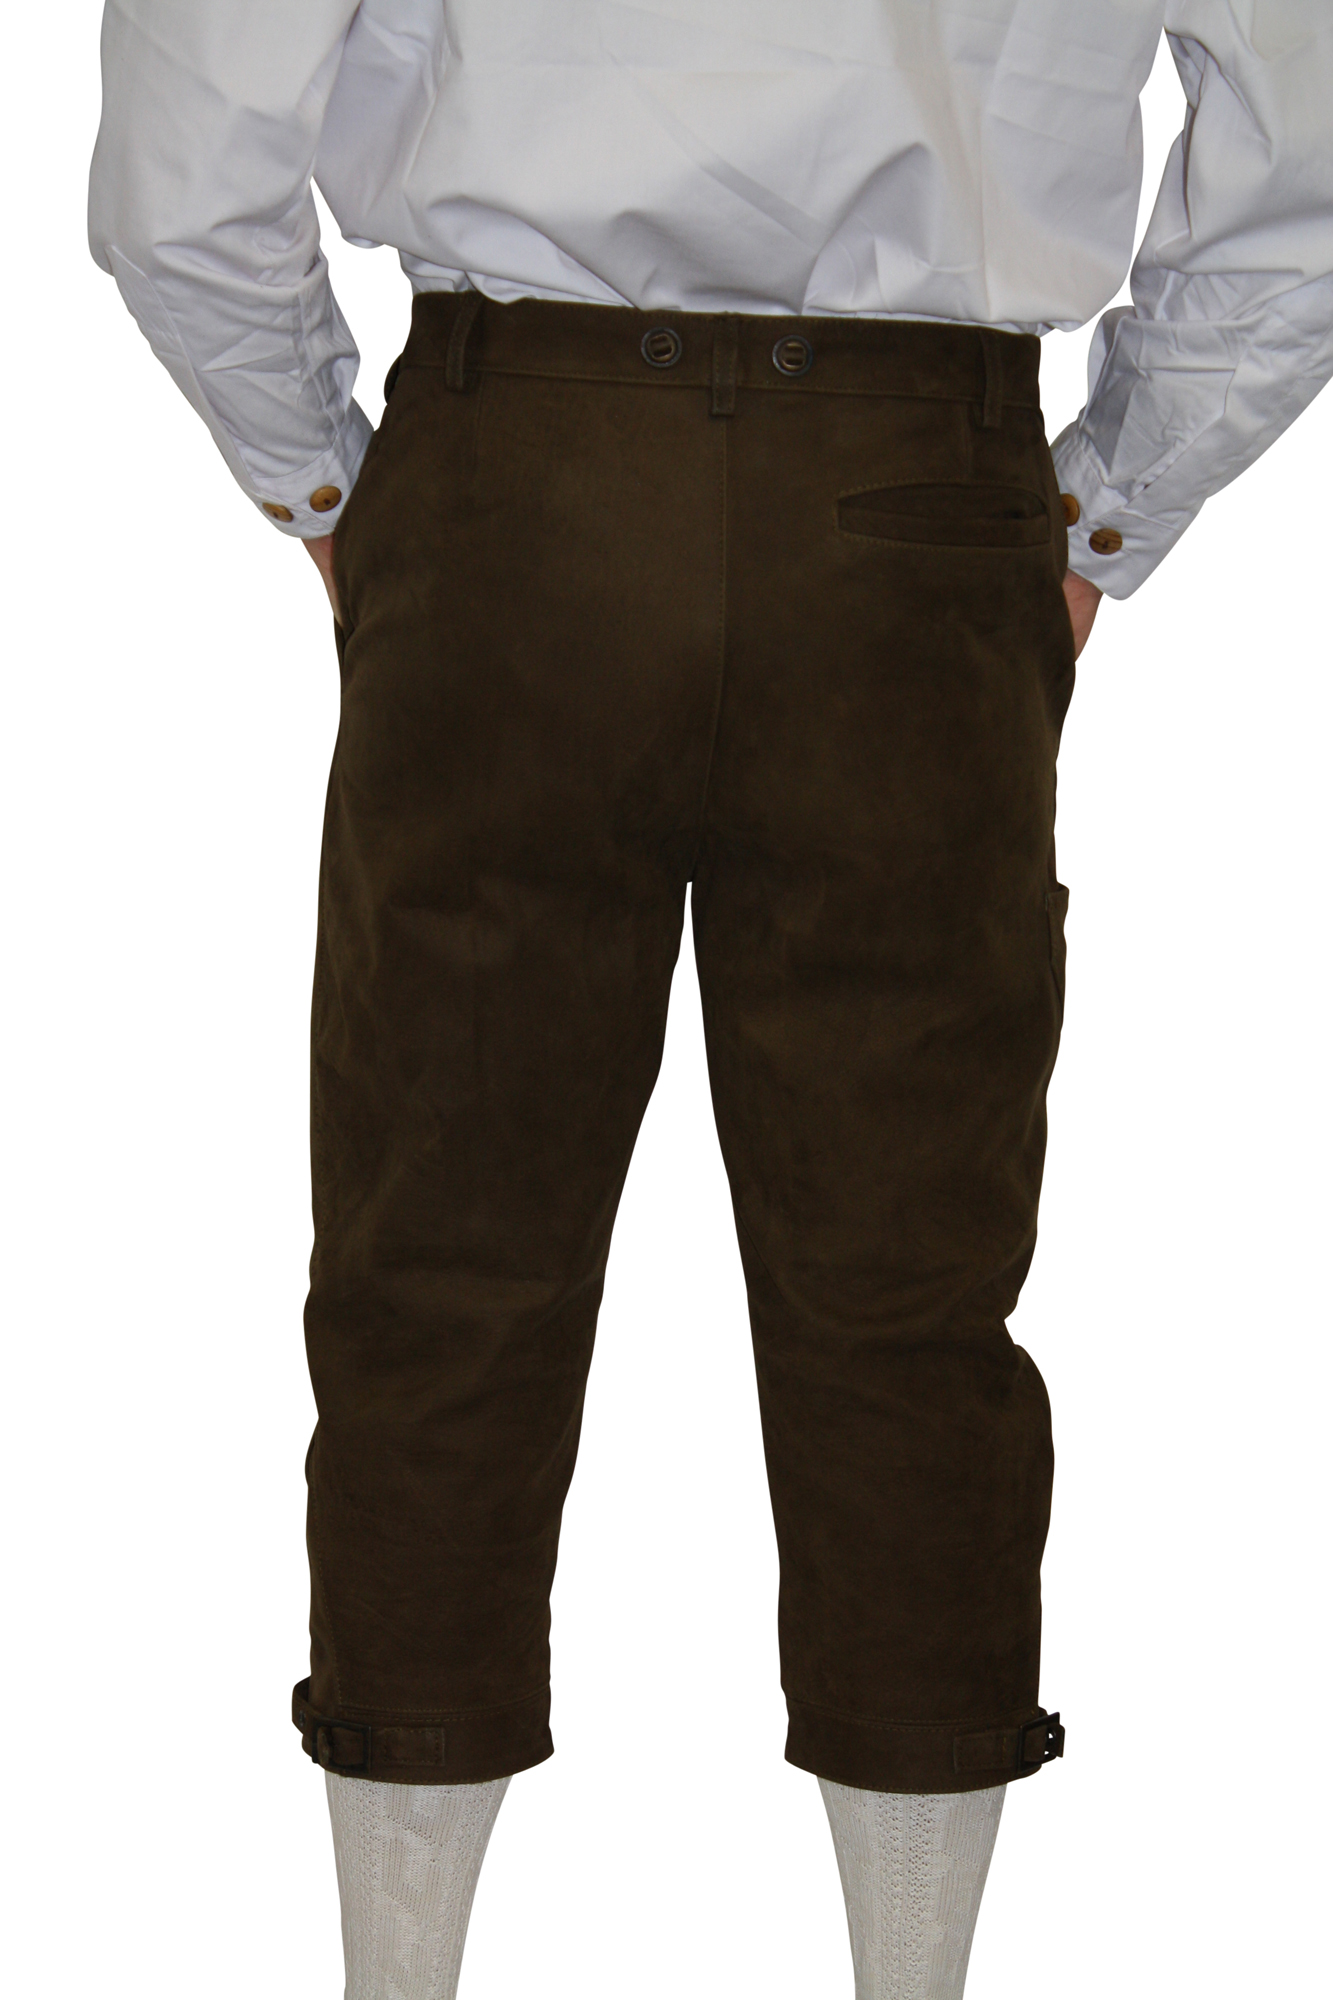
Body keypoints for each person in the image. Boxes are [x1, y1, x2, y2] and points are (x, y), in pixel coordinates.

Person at [88, 6, 1333, 1998]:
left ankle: (394, 1977)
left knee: (441, 1274)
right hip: (914, 511)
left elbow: (187, 156)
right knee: (906, 1302)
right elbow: (1304, 136)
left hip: (520, 484)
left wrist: (329, 484)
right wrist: (1114, 497)